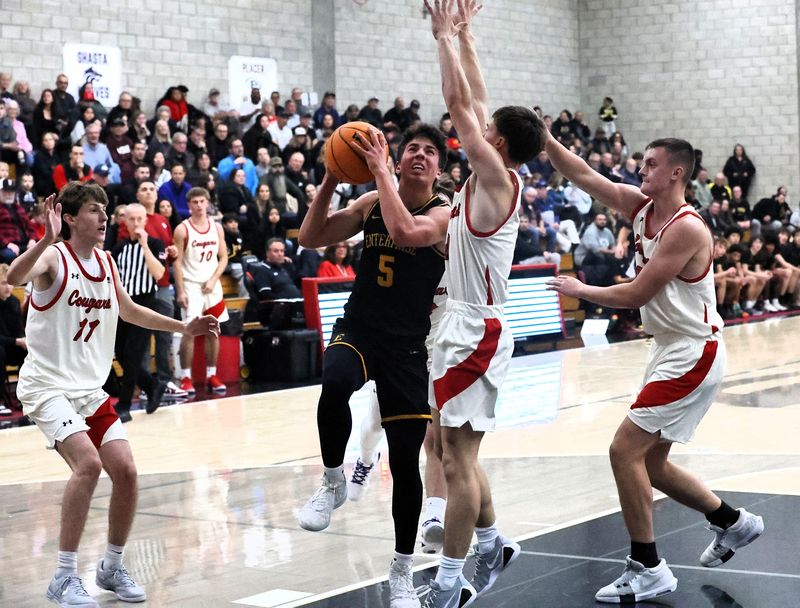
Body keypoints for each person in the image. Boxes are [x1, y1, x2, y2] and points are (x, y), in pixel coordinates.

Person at [545, 130, 764, 600]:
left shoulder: (686, 227)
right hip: (668, 349)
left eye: (649, 164)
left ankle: (647, 567)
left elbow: (637, 292)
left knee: (623, 451)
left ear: (675, 173)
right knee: (653, 463)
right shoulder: (639, 206)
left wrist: (581, 290)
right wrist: (543, 138)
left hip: (692, 351)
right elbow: (582, 174)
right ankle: (733, 522)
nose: (640, 170)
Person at [8, 185, 219, 608]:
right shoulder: (54, 256)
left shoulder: (105, 260)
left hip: (87, 389)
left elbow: (126, 309)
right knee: (87, 465)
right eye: (93, 209)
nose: (104, 217)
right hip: (47, 386)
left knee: (125, 471)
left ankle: (111, 566)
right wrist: (46, 239)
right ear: (69, 218)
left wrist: (183, 327)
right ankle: (64, 576)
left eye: (106, 210)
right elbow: (13, 276)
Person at [297, 118, 450, 608]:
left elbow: (407, 229)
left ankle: (402, 569)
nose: (419, 155)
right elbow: (310, 236)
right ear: (400, 158)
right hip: (359, 328)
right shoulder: (367, 204)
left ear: (438, 169)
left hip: (407, 347)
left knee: (406, 464)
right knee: (335, 381)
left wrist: (380, 170)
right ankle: (332, 481)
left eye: (430, 151)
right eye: (411, 149)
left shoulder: (443, 213)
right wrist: (329, 177)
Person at [421, 3, 546, 606]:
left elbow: (459, 104)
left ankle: (452, 583)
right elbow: (475, 96)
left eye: (486, 126)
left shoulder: (496, 177)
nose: (478, 124)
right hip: (458, 323)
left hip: (477, 330)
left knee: (458, 459)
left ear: (498, 140)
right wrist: (466, 33)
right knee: (444, 448)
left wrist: (444, 37)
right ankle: (493, 541)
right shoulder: (494, 169)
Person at [110, 203, 168, 422]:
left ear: (145, 220)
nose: (135, 223)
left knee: (133, 355)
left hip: (144, 306)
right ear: (125, 221)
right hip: (123, 305)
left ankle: (124, 406)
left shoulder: (155, 243)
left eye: (139, 219)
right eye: (131, 219)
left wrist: (144, 246)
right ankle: (153, 385)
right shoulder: (119, 248)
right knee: (121, 355)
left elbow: (159, 273)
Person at [173, 187, 229, 395]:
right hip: (191, 284)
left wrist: (214, 279)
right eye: (194, 202)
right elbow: (176, 262)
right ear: (189, 205)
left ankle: (212, 375)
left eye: (201, 201)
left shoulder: (217, 228)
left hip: (212, 285)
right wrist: (180, 290)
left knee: (214, 330)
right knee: (189, 330)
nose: (198, 205)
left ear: (207, 203)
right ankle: (185, 377)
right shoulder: (182, 229)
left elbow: (223, 257)